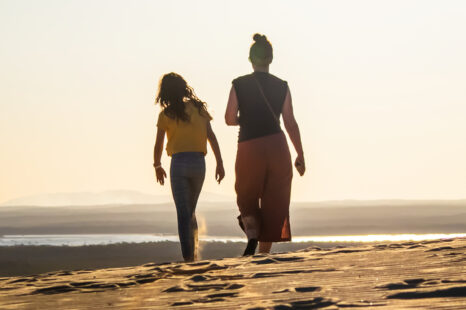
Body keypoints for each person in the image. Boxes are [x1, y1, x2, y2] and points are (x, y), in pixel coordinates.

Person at [225, 34, 305, 256]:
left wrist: (245, 119)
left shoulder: (239, 84)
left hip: (249, 146)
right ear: (271, 59)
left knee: (247, 196)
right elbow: (289, 122)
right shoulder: (282, 86)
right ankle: (263, 255)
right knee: (275, 200)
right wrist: (300, 153)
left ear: (251, 59)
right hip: (277, 146)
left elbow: (229, 118)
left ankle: (251, 235)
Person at [153, 72, 225, 262]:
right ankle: (193, 252)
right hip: (198, 163)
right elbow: (211, 136)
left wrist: (157, 165)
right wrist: (219, 163)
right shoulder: (199, 109)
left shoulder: (166, 115)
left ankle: (189, 259)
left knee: (183, 214)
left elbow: (158, 144)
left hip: (178, 163)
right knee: (190, 211)